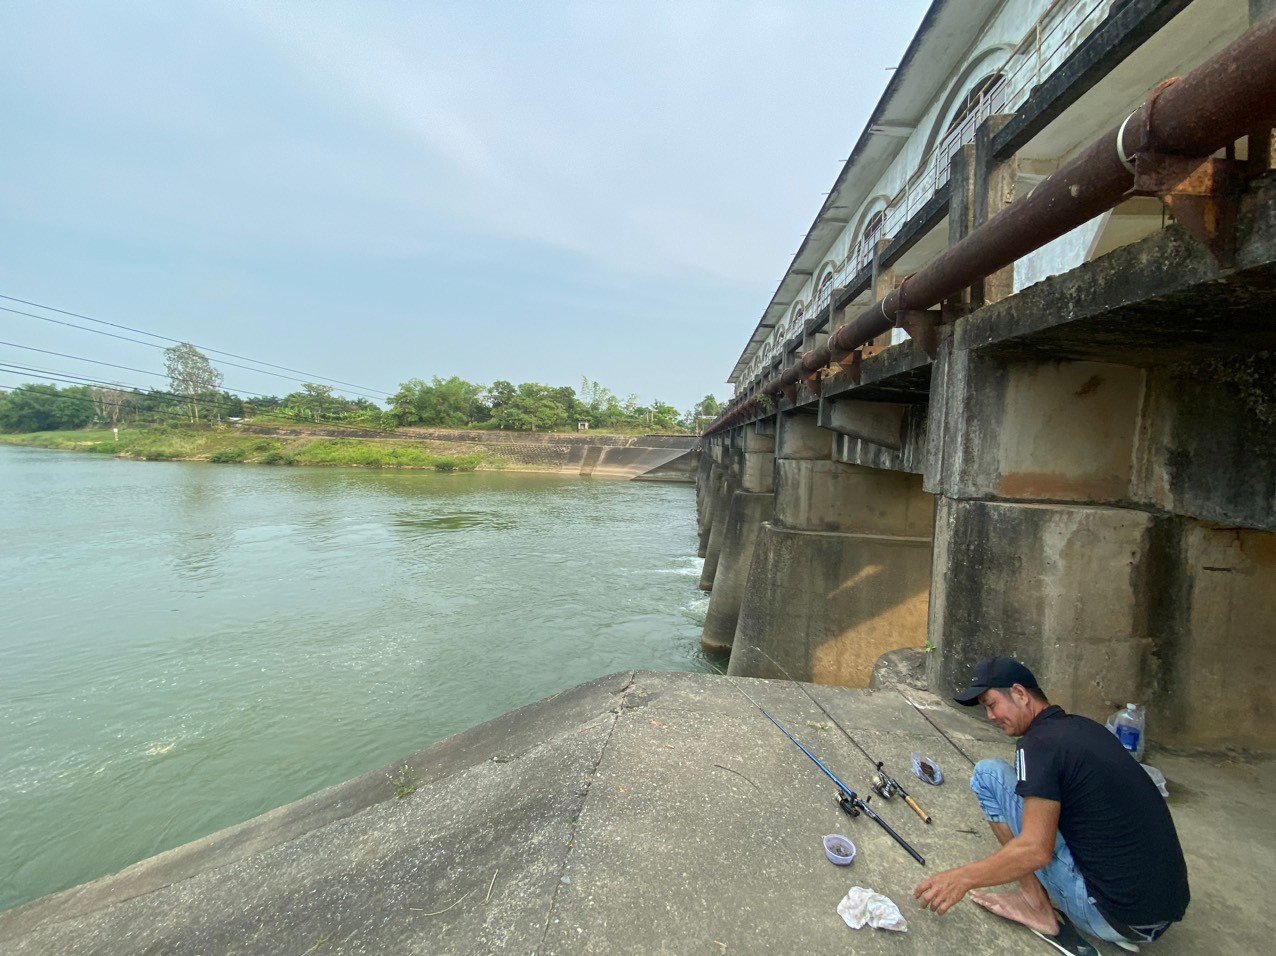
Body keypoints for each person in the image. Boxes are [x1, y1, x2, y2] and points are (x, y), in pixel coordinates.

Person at [914, 657, 1189, 951]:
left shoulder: (1038, 746)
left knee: (986, 775)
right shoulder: (1083, 728)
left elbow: (1036, 851)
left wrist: (962, 878)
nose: (990, 716)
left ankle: (1035, 904)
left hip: (1109, 916)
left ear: (1020, 694)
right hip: (1159, 914)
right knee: (1004, 779)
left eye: (991, 704)